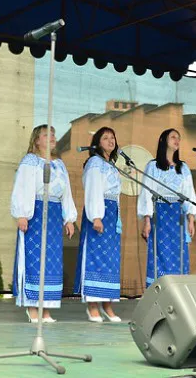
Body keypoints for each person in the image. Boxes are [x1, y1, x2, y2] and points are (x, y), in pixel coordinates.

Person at [11, 124, 77, 323]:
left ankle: (46, 309)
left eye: (53, 134)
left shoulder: (59, 164)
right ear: (36, 140)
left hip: (55, 214)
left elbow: (67, 192)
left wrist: (69, 218)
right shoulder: (30, 161)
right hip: (36, 213)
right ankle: (32, 308)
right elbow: (21, 187)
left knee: (51, 263)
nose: (52, 137)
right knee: (34, 261)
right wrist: (22, 214)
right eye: (46, 135)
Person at [137, 128, 196, 287]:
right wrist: (146, 221)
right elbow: (146, 193)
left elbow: (189, 193)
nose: (176, 140)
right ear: (163, 140)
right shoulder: (153, 166)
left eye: (178, 138)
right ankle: (158, 290)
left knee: (179, 254)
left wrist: (191, 219)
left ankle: (178, 291)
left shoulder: (183, 168)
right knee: (159, 253)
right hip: (160, 216)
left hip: (178, 217)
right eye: (173, 137)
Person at [74, 127, 122, 323]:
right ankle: (93, 305)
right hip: (99, 213)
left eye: (113, 137)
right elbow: (93, 190)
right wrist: (96, 216)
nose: (111, 140)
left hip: (111, 214)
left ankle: (107, 303)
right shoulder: (95, 163)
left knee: (110, 260)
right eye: (106, 138)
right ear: (97, 142)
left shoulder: (111, 165)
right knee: (95, 257)